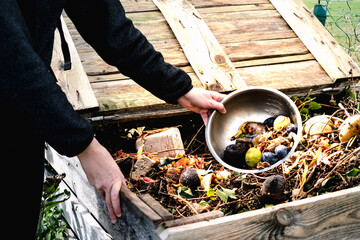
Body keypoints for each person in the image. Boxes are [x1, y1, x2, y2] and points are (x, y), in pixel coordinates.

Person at [0, 0, 227, 238]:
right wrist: (85, 146)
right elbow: (12, 59)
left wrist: (181, 90)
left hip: (22, 128)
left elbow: (106, 23)